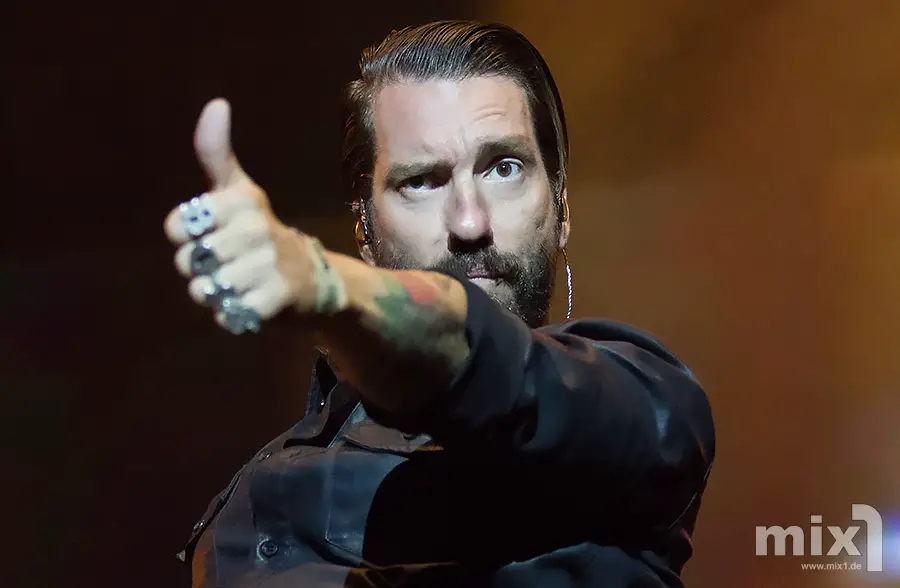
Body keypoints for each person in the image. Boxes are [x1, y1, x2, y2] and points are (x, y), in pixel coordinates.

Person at [164, 20, 715, 588]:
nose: (470, 223)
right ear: (364, 227)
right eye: (423, 181)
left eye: (504, 168)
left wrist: (327, 286)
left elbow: (482, 357)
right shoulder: (249, 510)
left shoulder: (648, 406)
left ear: (561, 207)